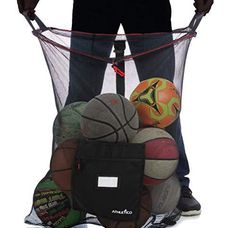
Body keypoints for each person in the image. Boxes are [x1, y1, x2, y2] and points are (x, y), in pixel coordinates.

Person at [17, 0, 214, 216]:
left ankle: (177, 182)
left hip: (149, 5)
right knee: (79, 100)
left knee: (162, 100)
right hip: (94, 4)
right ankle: (66, 181)